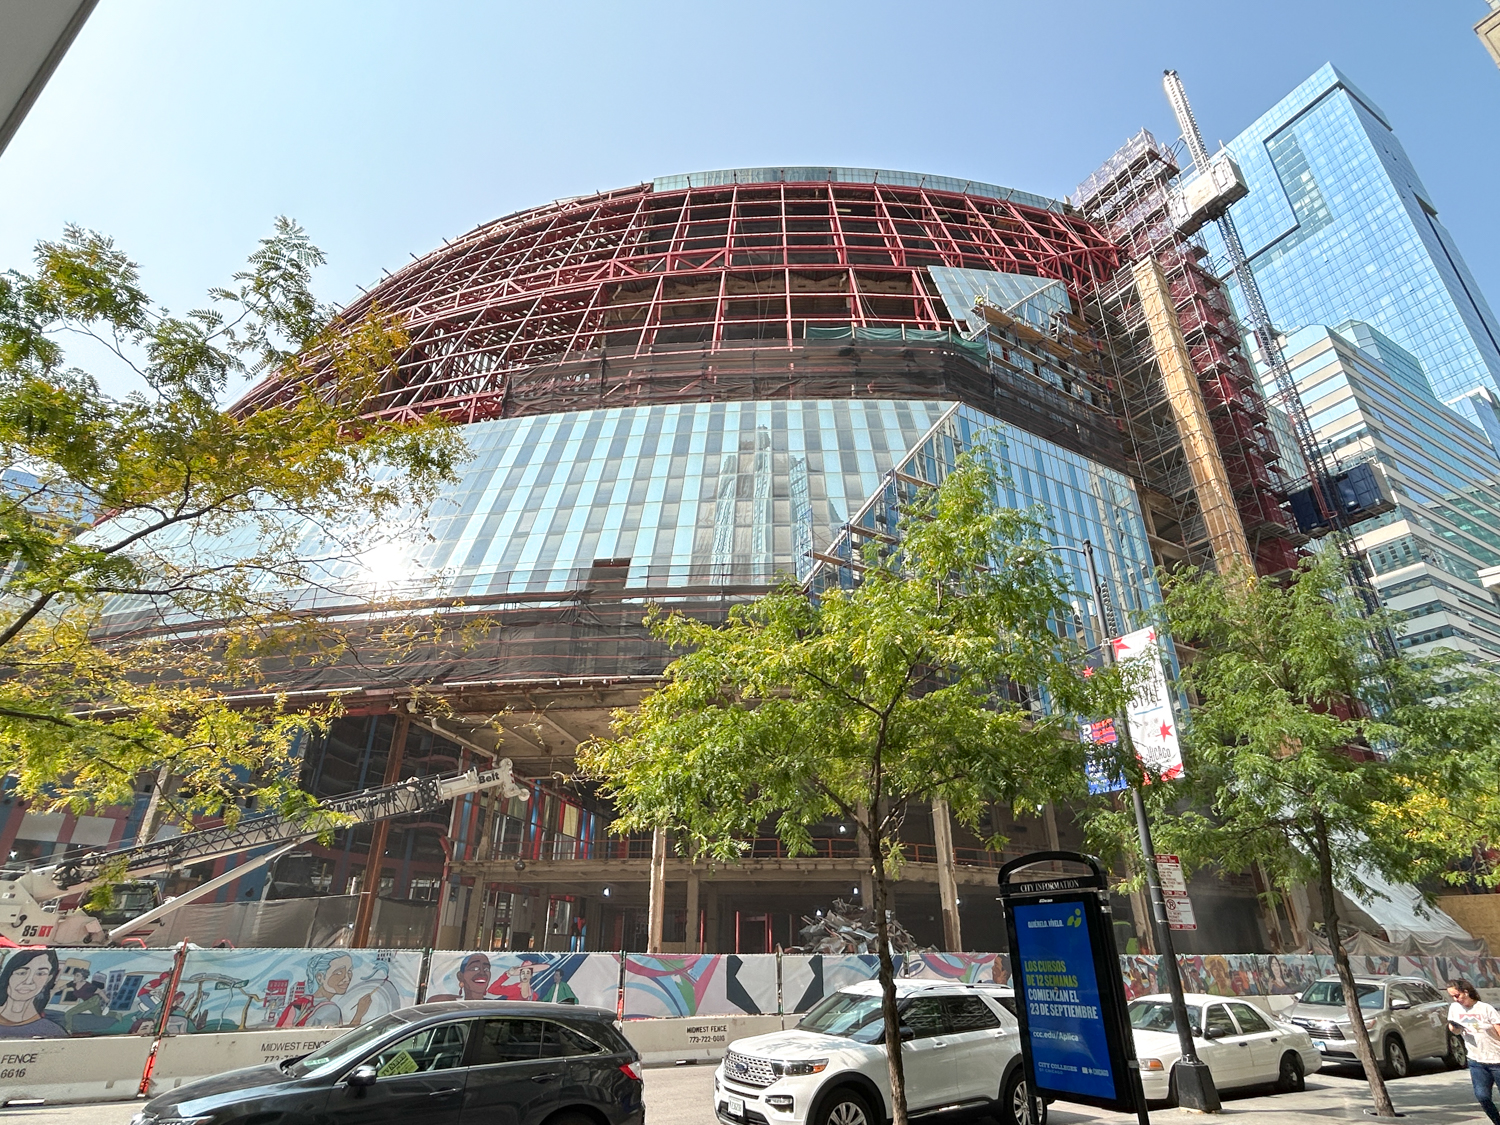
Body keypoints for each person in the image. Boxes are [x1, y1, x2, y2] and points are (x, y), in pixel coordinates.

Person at [1448, 978, 1500, 1125]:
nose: (1455, 999)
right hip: (1476, 1061)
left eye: (1457, 995)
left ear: (1466, 992)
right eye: (1452, 996)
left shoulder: (1485, 1008)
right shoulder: (1454, 1008)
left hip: (1497, 1060)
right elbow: (1453, 1029)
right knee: (1482, 1096)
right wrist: (1455, 1027)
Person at [0, 948, 68, 1039]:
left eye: (40, 974)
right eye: (21, 973)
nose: (28, 981)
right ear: (8, 975)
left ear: (48, 979)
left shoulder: (52, 1031)